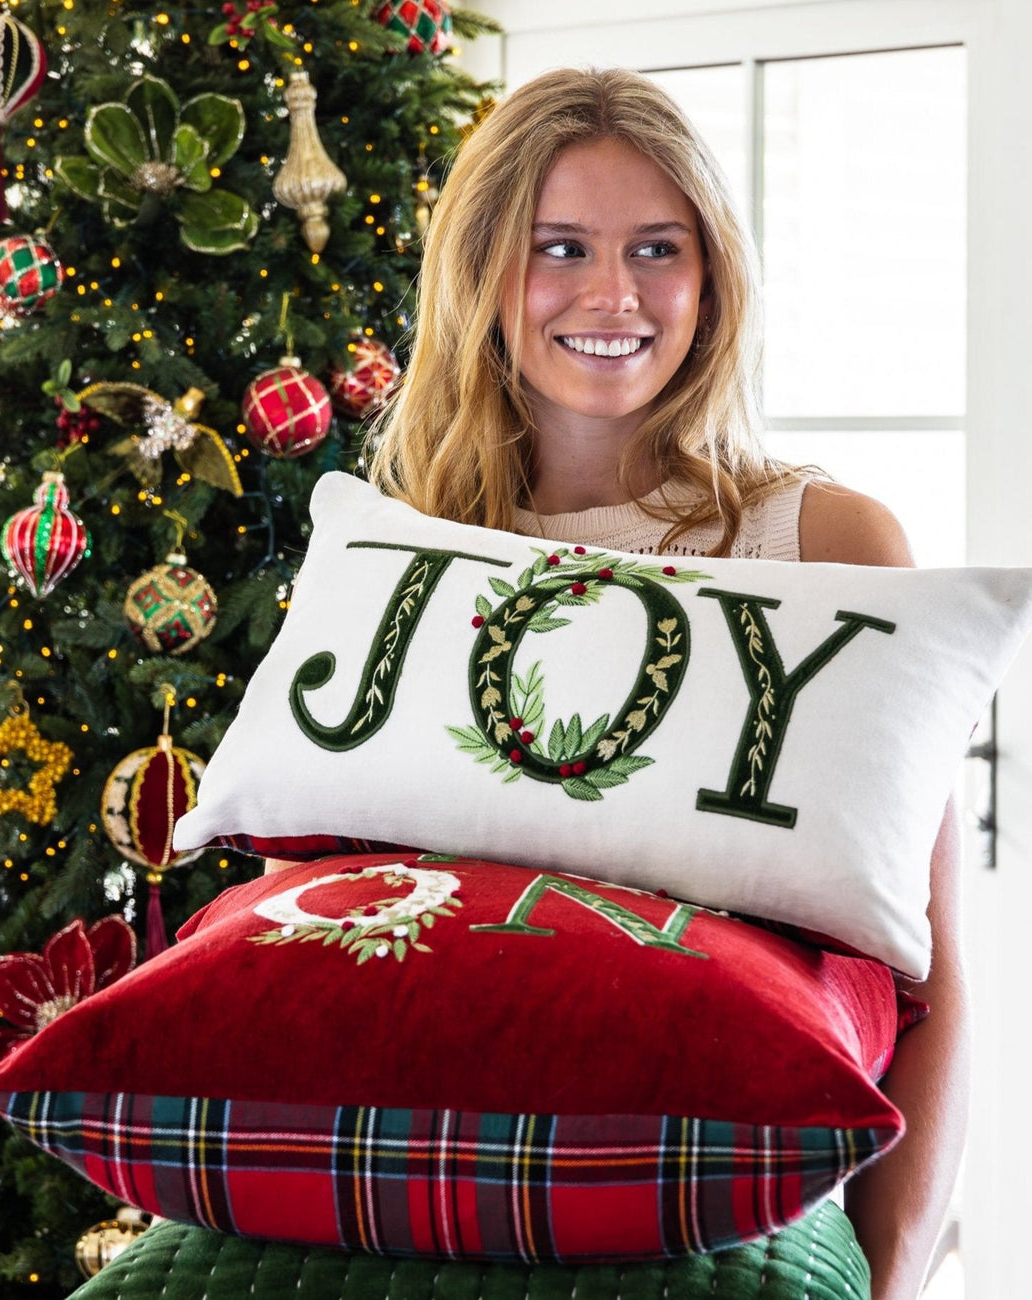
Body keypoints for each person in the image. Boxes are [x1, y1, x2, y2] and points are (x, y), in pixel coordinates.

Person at [271, 66, 964, 1298]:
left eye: (657, 247)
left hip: (738, 1219)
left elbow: (934, 986)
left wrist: (890, 1276)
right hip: (411, 1215)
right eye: (560, 248)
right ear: (485, 275)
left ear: (711, 278)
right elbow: (296, 943)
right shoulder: (389, 561)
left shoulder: (828, 548)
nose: (613, 295)